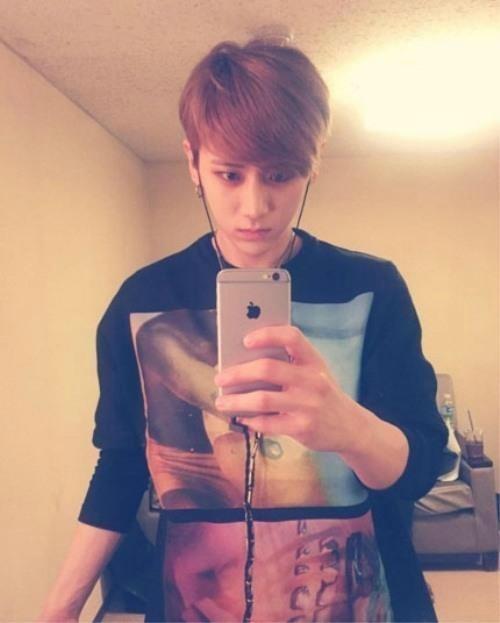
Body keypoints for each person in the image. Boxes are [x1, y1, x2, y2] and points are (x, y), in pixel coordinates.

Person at [40, 38, 448, 623]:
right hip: (195, 606)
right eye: (229, 174)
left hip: (361, 605)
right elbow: (122, 465)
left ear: (312, 163)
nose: (254, 207)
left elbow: (421, 469)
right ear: (192, 163)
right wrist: (61, 607)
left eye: (280, 174)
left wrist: (347, 426)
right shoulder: (143, 302)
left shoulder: (370, 289)